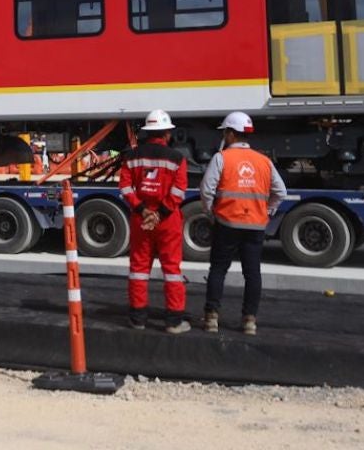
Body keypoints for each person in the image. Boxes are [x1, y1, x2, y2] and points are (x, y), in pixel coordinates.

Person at [199, 111, 286, 336]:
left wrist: (210, 212)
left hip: (226, 223)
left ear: (230, 134)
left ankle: (211, 318)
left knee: (218, 269)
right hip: (255, 226)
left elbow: (207, 189)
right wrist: (267, 210)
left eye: (225, 133)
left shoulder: (222, 158)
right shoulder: (264, 161)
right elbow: (281, 191)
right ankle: (249, 321)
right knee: (252, 273)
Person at [119, 109, 189, 333]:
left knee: (139, 268)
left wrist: (142, 210)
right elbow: (178, 192)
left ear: (147, 133)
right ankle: (174, 321)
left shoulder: (131, 157)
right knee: (171, 269)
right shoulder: (177, 158)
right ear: (167, 134)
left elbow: (126, 188)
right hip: (167, 220)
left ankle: (138, 319)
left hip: (141, 219)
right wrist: (160, 214)